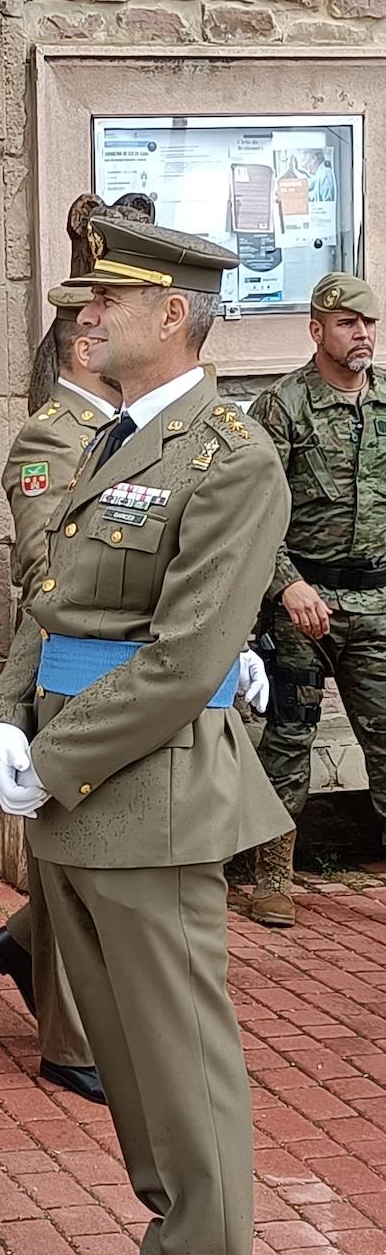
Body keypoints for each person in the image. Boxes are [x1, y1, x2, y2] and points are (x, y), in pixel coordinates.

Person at [0, 219, 292, 1255]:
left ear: (173, 315)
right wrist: (3, 712)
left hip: (150, 794)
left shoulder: (228, 453)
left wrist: (49, 754)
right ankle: (170, 1238)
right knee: (121, 1054)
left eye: (105, 300)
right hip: (77, 787)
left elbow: (181, 659)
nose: (84, 316)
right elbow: (52, 595)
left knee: (180, 1060)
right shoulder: (113, 437)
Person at [0, 285, 118, 1105]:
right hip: (66, 666)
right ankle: (69, 1041)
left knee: (99, 852)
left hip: (121, 666)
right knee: (70, 853)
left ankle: (23, 940)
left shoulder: (131, 431)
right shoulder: (51, 436)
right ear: (81, 346)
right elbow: (45, 569)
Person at [249, 272, 386, 926]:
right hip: (303, 603)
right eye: (346, 324)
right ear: (315, 330)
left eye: (367, 324)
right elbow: (253, 512)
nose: (360, 335)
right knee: (287, 738)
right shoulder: (282, 406)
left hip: (376, 603)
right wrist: (286, 584)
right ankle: (271, 872)